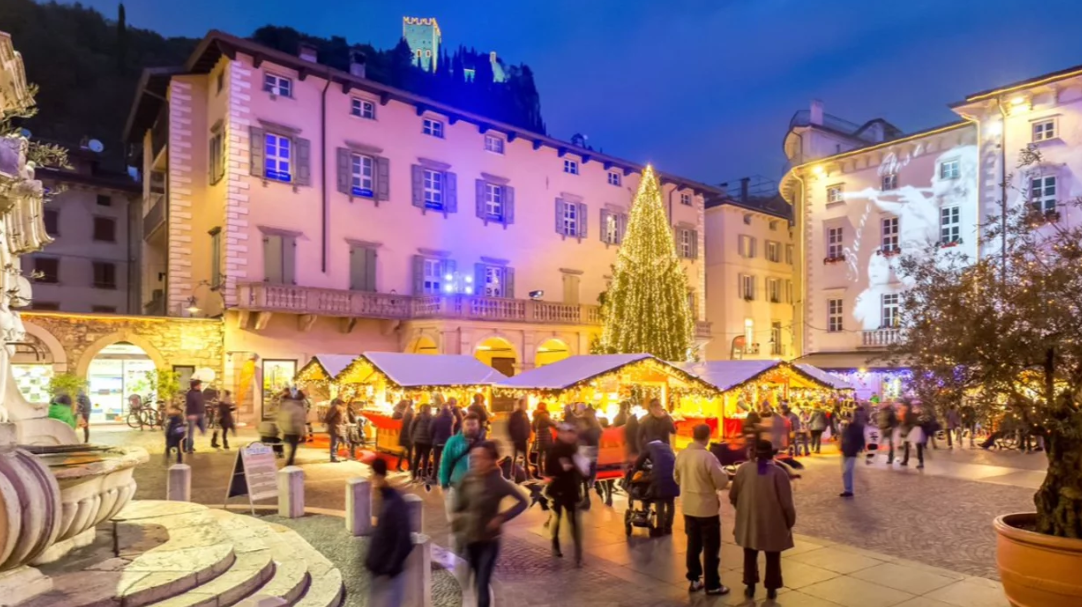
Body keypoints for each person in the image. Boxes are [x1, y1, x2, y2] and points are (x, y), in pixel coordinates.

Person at [452, 440, 528, 607]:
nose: (475, 462)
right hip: (470, 539)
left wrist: (501, 517)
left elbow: (523, 501)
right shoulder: (468, 478)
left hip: (489, 541)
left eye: (479, 458)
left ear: (490, 460)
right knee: (474, 582)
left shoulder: (498, 482)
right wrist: (458, 516)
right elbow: (459, 503)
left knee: (481, 583)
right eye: (473, 458)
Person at [730, 440, 796, 600]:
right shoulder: (779, 473)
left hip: (749, 520)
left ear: (752, 452)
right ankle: (771, 588)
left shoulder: (743, 470)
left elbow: (733, 495)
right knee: (773, 555)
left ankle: (750, 584)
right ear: (772, 454)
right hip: (773, 521)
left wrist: (743, 510)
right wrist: (789, 522)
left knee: (750, 552)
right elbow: (787, 503)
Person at [675, 423, 730, 596]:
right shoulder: (708, 457)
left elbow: (676, 477)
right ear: (708, 436)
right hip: (706, 508)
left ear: (692, 435)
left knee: (693, 544)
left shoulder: (682, 455)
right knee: (711, 548)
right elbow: (720, 482)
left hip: (688, 506)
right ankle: (712, 584)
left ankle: (694, 579)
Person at [365, 458, 413, 607]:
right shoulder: (385, 499)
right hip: (379, 564)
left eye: (372, 475)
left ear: (379, 477)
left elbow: (404, 538)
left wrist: (391, 566)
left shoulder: (394, 503)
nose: (370, 480)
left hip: (390, 568)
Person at [545, 423, 584, 564]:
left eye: (573, 433)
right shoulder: (555, 449)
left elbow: (580, 468)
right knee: (557, 515)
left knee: (574, 519)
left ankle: (578, 552)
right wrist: (561, 468)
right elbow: (548, 469)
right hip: (559, 487)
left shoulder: (574, 448)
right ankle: (555, 542)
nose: (571, 436)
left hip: (572, 487)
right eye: (568, 433)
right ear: (561, 434)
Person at [632, 438, 679, 535]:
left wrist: (638, 471)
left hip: (659, 475)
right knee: (670, 502)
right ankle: (668, 528)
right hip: (673, 474)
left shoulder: (649, 447)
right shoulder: (666, 446)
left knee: (660, 501)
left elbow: (638, 463)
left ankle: (660, 529)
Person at [277, 386, 308, 466]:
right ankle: (290, 461)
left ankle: (288, 460)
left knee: (289, 445)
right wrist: (302, 433)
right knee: (293, 447)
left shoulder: (285, 403)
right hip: (294, 430)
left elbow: (281, 415)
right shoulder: (298, 406)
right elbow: (300, 421)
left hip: (286, 428)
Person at [840, 413, 865, 497]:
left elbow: (861, 438)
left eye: (848, 418)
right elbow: (843, 438)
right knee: (845, 471)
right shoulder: (844, 427)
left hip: (852, 451)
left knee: (848, 470)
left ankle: (849, 490)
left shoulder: (857, 428)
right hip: (845, 451)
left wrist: (859, 448)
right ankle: (847, 489)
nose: (847, 420)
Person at [507, 397, 532, 478]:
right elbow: (510, 427)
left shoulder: (524, 414)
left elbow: (528, 425)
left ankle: (527, 474)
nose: (525, 406)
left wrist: (527, 435)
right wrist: (513, 438)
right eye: (524, 404)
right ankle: (513, 473)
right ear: (521, 404)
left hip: (523, 438)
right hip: (517, 439)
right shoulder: (515, 414)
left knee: (525, 457)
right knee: (515, 457)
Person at [531, 403, 556, 480]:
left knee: (540, 454)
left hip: (539, 436)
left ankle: (540, 471)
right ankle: (547, 471)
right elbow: (551, 423)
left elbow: (533, 427)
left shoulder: (536, 416)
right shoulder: (544, 415)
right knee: (548, 454)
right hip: (545, 436)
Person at [431, 402, 456, 477]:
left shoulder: (436, 418)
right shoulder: (452, 418)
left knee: (436, 460)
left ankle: (434, 477)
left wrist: (433, 438)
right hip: (448, 442)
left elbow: (431, 429)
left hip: (437, 441)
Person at [411, 404, 434, 481]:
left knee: (417, 457)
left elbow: (411, 428)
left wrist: (412, 438)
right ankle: (424, 475)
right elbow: (434, 430)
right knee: (425, 458)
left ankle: (414, 475)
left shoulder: (417, 417)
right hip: (428, 442)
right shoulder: (432, 418)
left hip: (418, 441)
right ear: (429, 410)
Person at [184, 379, 206, 453]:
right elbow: (189, 405)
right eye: (199, 385)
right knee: (191, 432)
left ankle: (201, 431)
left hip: (200, 414)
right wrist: (189, 415)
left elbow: (201, 403)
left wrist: (203, 412)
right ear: (195, 386)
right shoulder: (190, 394)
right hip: (192, 415)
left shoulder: (200, 392)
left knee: (204, 429)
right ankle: (189, 448)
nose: (200, 386)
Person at [900, 402, 925, 469]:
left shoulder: (921, 415)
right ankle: (905, 460)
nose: (916, 408)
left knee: (918, 447)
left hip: (917, 432)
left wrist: (918, 422)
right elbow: (905, 423)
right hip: (909, 432)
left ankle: (921, 462)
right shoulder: (908, 414)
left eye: (917, 407)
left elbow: (923, 423)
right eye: (915, 407)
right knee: (906, 446)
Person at [323, 397, 346, 463]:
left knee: (338, 442)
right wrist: (329, 423)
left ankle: (335, 456)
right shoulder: (336, 407)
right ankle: (333, 457)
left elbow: (343, 418)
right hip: (335, 427)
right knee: (335, 443)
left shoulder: (341, 408)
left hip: (340, 427)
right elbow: (329, 416)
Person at [396, 400, 414, 472]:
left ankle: (403, 466)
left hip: (404, 435)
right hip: (407, 435)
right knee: (409, 451)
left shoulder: (406, 412)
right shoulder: (409, 413)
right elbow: (410, 425)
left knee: (405, 451)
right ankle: (409, 467)